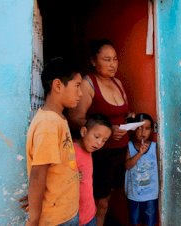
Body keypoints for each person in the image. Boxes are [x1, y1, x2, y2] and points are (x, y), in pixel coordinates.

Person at [67, 39, 133, 225]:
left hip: (119, 152)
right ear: (94, 61)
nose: (112, 64)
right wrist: (108, 131)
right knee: (99, 202)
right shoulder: (88, 84)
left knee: (108, 198)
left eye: (115, 59)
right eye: (106, 59)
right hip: (100, 153)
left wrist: (130, 119)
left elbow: (122, 114)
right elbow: (75, 118)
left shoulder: (118, 82)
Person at [25, 57, 82, 225]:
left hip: (66, 211)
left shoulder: (57, 118)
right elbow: (38, 175)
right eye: (77, 86)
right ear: (58, 85)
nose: (80, 93)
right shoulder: (48, 124)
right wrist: (34, 219)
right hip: (57, 219)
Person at [74, 114, 112, 226]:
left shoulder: (89, 151)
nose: (99, 143)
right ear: (84, 132)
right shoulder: (71, 151)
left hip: (89, 214)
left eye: (104, 140)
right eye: (96, 137)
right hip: (75, 218)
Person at [125, 113, 158, 226]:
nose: (143, 132)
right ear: (134, 129)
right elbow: (128, 166)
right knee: (134, 222)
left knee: (150, 223)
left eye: (147, 128)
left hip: (151, 195)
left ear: (152, 130)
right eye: (139, 128)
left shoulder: (154, 147)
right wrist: (139, 154)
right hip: (134, 195)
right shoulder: (130, 146)